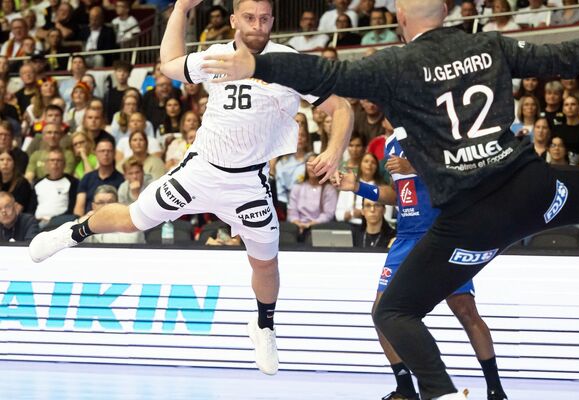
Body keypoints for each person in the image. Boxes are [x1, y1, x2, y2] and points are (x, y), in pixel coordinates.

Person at [166, 5, 579, 399]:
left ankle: (441, 396)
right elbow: (564, 57)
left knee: (394, 313)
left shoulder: (394, 64)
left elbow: (330, 79)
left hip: (474, 219)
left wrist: (260, 63)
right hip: (533, 191)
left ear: (406, 20)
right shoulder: (488, 46)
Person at [29, 0, 354, 382]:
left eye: (264, 19)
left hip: (248, 182)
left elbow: (343, 108)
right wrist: (182, 8)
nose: (257, 26)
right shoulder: (216, 56)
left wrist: (334, 150)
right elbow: (169, 63)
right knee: (134, 219)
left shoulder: (290, 63)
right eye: (249, 18)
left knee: (265, 261)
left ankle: (264, 326)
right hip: (200, 170)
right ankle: (70, 232)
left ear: (273, 21)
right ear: (234, 20)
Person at [338, 128, 507, 399]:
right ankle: (405, 388)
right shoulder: (391, 142)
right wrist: (358, 187)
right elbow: (398, 194)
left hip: (441, 232)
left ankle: (495, 389)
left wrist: (413, 166)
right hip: (406, 236)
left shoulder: (433, 127)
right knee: (380, 312)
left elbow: (459, 172)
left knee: (465, 310)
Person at [286, 154, 337, 239]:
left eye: (316, 164)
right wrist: (298, 224)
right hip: (297, 226)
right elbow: (292, 212)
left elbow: (328, 214)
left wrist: (309, 225)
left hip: (319, 227)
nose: (313, 167)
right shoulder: (297, 187)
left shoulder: (328, 189)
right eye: (310, 164)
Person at [72, 136, 123, 217]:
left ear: (114, 154)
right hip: (88, 222)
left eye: (109, 151)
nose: (105, 154)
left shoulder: (122, 179)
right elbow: (79, 208)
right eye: (102, 151)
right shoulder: (87, 178)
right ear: (96, 153)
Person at [30, 148, 79, 227]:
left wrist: (52, 220)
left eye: (59, 160)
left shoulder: (73, 182)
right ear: (46, 164)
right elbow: (31, 208)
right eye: (52, 160)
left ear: (64, 164)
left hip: (61, 223)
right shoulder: (37, 183)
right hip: (37, 222)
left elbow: (72, 208)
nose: (55, 163)